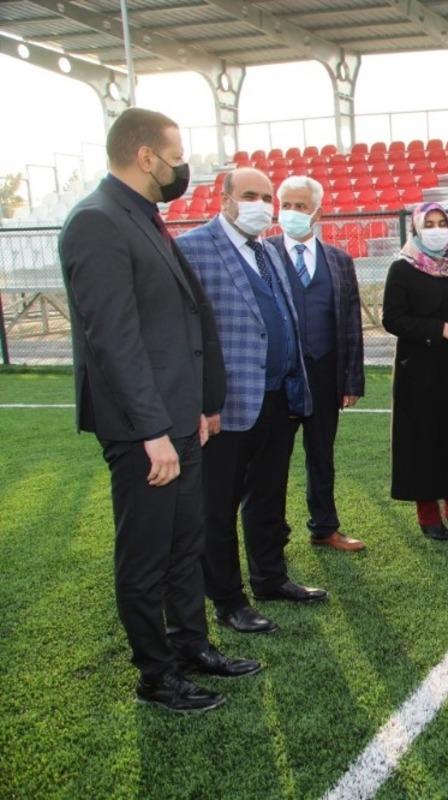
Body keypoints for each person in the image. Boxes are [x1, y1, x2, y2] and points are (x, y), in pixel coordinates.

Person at [59, 108, 259, 713]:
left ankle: (191, 646)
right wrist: (152, 431)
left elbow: (179, 324)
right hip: (144, 431)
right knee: (147, 554)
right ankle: (156, 675)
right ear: (145, 157)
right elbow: (113, 342)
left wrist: (198, 406)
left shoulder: (143, 217)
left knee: (183, 543)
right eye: (175, 155)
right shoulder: (96, 222)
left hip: (179, 421)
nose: (183, 168)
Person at [177, 167, 324, 637]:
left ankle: (270, 577)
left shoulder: (268, 250)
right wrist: (202, 401)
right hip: (225, 407)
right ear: (224, 199)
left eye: (266, 196)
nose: (261, 203)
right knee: (217, 506)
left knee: (268, 497)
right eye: (249, 195)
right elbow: (184, 333)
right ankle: (227, 600)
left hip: (278, 397)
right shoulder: (194, 249)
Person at [267, 175, 366, 553]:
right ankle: (272, 535)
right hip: (279, 378)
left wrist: (351, 380)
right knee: (272, 461)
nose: (292, 213)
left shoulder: (339, 260)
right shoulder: (264, 253)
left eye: (301, 206)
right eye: (286, 205)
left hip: (325, 373)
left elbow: (352, 321)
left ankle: (324, 528)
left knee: (321, 455)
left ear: (317, 213)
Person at [382, 202, 448, 540]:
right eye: (430, 223)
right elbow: (392, 319)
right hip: (419, 371)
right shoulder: (403, 268)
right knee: (424, 441)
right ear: (416, 229)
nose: (438, 228)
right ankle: (428, 517)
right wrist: (438, 329)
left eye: (443, 222)